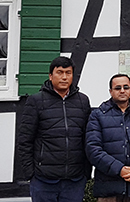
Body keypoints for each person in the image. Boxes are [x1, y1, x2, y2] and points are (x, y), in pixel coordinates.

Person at [18, 56, 91, 202]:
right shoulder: (36, 101)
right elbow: (25, 140)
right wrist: (30, 173)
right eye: (60, 72)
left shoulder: (83, 101)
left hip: (74, 180)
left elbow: (87, 138)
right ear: (51, 76)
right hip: (43, 180)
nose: (64, 77)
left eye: (68, 73)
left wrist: (86, 172)